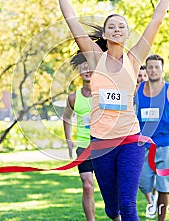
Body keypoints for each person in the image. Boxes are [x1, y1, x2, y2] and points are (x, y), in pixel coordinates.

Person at [49, 0, 169, 221]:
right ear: (105, 34)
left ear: (127, 33)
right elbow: (71, 20)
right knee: (112, 209)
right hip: (101, 144)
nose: (117, 29)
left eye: (122, 26)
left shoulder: (134, 58)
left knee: (128, 204)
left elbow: (156, 20)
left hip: (130, 140)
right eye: (112, 27)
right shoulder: (96, 59)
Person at [135, 54, 169, 220]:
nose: (153, 70)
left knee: (163, 186)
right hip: (142, 146)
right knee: (143, 183)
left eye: (157, 67)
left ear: (162, 69)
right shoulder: (138, 90)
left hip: (164, 145)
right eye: (150, 67)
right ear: (146, 69)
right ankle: (152, 198)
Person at [63, 53, 96, 221]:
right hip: (84, 146)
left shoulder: (104, 94)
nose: (87, 70)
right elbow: (66, 118)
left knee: (110, 187)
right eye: (83, 68)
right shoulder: (74, 98)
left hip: (105, 146)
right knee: (87, 185)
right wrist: (69, 140)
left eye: (89, 66)